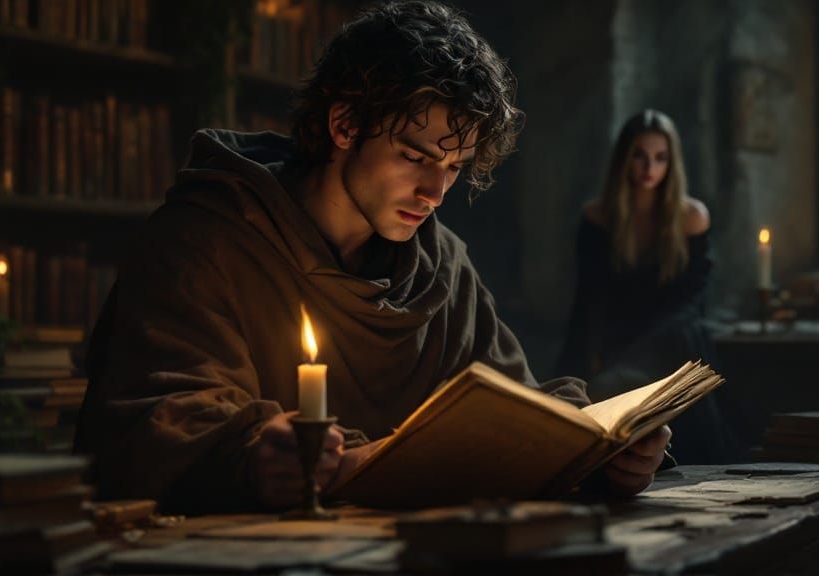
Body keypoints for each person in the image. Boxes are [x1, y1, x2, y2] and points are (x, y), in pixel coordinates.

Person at [74, 1, 670, 514]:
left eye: (454, 168)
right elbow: (152, 420)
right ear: (343, 123)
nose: (436, 193)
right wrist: (252, 454)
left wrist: (604, 450)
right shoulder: (206, 239)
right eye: (415, 157)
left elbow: (519, 408)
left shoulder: (440, 266)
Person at [557, 109, 730, 463]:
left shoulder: (691, 217)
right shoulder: (598, 217)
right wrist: (588, 355)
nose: (649, 167)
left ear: (671, 163)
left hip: (672, 336)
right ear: (624, 158)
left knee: (680, 337)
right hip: (617, 337)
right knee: (580, 388)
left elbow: (691, 300)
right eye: (639, 155)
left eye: (660, 158)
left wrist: (641, 351)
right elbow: (590, 297)